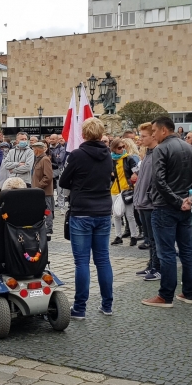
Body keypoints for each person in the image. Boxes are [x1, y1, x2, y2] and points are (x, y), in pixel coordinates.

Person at [142, 116, 192, 307]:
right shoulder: (189, 148)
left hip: (165, 207)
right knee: (187, 250)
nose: (153, 134)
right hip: (184, 206)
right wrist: (190, 200)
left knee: (166, 252)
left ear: (163, 131)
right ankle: (188, 293)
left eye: (154, 130)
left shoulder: (160, 149)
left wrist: (178, 201)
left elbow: (159, 181)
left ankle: (165, 295)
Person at [58, 117, 114, 319]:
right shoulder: (107, 154)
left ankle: (80, 308)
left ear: (83, 134)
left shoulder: (77, 154)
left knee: (82, 262)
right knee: (103, 259)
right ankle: (107, 305)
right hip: (103, 211)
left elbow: (64, 180)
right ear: (101, 134)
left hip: (82, 210)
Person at [133, 122, 161, 281]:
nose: (141, 139)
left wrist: (150, 195)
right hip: (142, 202)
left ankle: (157, 268)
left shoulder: (157, 153)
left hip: (150, 203)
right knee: (149, 238)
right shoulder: (148, 153)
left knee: (155, 238)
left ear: (153, 135)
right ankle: (151, 264)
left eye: (144, 136)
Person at [109, 138, 139, 247]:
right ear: (114, 149)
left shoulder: (129, 159)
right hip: (115, 190)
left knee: (129, 214)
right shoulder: (111, 160)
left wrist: (133, 179)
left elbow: (136, 173)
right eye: (119, 147)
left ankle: (134, 236)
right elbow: (109, 175)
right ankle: (118, 236)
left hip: (127, 190)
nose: (122, 149)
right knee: (116, 214)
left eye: (123, 147)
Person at [30, 141, 54, 235]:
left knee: (47, 210)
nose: (33, 151)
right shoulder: (38, 159)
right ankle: (41, 226)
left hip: (45, 191)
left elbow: (48, 177)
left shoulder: (45, 159)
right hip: (38, 191)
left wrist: (38, 186)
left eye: (34, 149)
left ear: (38, 149)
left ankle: (49, 227)